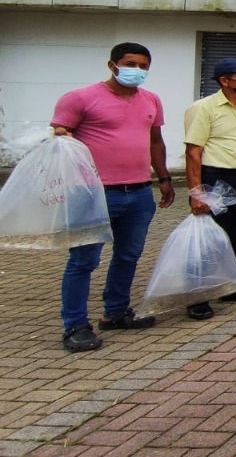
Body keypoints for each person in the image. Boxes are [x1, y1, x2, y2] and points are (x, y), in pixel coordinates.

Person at [52, 42, 174, 352]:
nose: (137, 70)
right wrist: (62, 135)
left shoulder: (151, 100)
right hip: (93, 193)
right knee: (84, 260)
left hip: (139, 192)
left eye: (144, 66)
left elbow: (156, 141)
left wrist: (164, 178)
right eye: (130, 64)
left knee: (128, 256)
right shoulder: (79, 98)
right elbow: (59, 139)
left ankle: (116, 312)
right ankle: (75, 325)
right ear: (112, 65)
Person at [183, 57, 236, 318]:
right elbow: (193, 152)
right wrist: (196, 193)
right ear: (224, 80)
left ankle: (235, 285)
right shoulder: (203, 107)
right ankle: (199, 297)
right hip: (217, 178)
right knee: (211, 238)